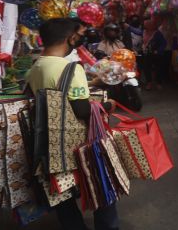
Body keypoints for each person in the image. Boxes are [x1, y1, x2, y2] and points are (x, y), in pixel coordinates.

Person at [25, 18, 119, 230]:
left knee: (62, 192)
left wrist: (90, 83)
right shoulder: (72, 69)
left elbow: (52, 95)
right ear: (71, 38)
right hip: (79, 143)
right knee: (101, 183)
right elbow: (82, 110)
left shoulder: (34, 67)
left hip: (49, 143)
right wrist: (106, 105)